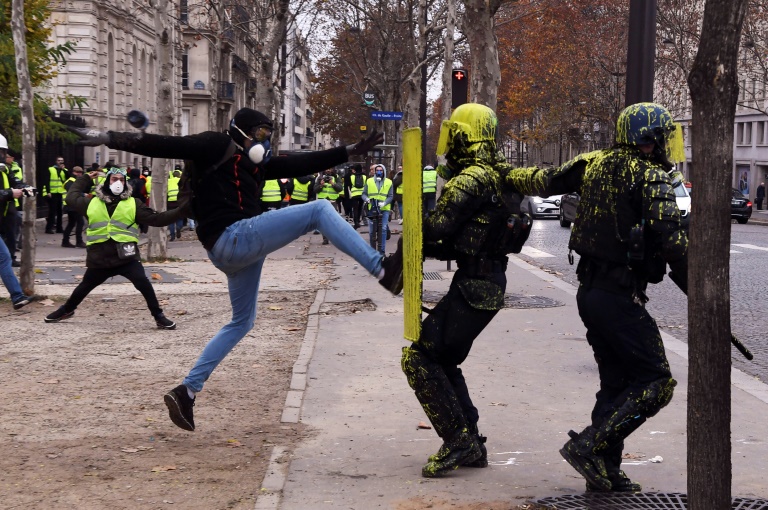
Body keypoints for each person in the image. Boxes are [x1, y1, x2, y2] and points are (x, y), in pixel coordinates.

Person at [70, 107, 401, 432]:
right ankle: (381, 269)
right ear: (241, 131)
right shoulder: (215, 144)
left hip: (228, 250)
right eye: (260, 134)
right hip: (234, 236)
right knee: (319, 210)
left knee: (242, 321)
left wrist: (348, 151)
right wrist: (107, 137)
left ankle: (186, 391)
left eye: (269, 136)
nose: (265, 142)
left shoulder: (256, 165)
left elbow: (301, 161)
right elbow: (165, 143)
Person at [396, 103, 578, 478]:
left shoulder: (471, 178)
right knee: (442, 358)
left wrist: (414, 210)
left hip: (475, 287)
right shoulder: (498, 174)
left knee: (419, 360)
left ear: (464, 135)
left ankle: (460, 441)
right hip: (487, 282)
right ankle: (470, 441)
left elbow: (439, 229)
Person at [558, 102, 688, 493]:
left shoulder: (596, 165)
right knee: (656, 381)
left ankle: (605, 470)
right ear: (650, 138)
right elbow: (674, 247)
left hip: (591, 293)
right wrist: (702, 295)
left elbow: (544, 179)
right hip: (618, 296)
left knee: (615, 383)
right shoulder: (650, 176)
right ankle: (589, 447)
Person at [44, 167, 182, 329]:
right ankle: (66, 310)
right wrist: (86, 178)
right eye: (114, 179)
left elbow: (157, 219)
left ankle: (158, 316)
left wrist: (182, 211)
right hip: (100, 258)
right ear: (107, 181)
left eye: (121, 180)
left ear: (126, 183)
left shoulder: (133, 203)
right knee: (85, 286)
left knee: (143, 283)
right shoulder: (91, 202)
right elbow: (71, 197)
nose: (118, 183)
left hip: (126, 257)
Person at [0, 134, 33, 309]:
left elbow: (15, 181)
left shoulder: (3, 169)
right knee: (4, 258)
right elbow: (6, 191)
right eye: (2, 152)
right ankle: (17, 296)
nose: (4, 155)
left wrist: (25, 187)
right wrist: (9, 194)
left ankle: (17, 296)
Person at [362, 164, 393, 254]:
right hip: (372, 208)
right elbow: (364, 194)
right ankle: (372, 250)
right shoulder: (369, 181)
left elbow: (390, 196)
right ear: (375, 171)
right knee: (372, 231)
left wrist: (384, 203)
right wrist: (367, 199)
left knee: (383, 229)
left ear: (384, 171)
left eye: (381, 170)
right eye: (377, 170)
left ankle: (381, 251)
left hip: (384, 209)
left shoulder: (389, 182)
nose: (379, 172)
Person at [314, 168, 343, 245]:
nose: (328, 170)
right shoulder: (320, 178)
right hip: (322, 201)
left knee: (333, 221)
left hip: (332, 201)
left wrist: (333, 184)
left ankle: (334, 237)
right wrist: (321, 185)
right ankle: (325, 238)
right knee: (323, 221)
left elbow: (340, 188)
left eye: (330, 169)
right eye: (327, 169)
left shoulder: (336, 177)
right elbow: (315, 190)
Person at [61, 166, 86, 248]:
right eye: (78, 172)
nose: (79, 174)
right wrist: (83, 195)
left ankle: (65, 241)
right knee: (80, 222)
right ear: (74, 172)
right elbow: (73, 193)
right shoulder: (71, 182)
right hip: (72, 205)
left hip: (71, 205)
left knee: (71, 223)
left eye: (81, 173)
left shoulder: (74, 181)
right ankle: (79, 241)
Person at [43, 156, 68, 234]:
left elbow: (69, 178)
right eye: (59, 160)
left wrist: (63, 169)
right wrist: (48, 191)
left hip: (59, 193)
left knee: (60, 212)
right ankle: (49, 228)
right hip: (52, 193)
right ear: (56, 161)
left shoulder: (64, 170)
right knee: (52, 211)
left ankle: (59, 228)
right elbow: (46, 181)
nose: (60, 162)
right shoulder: (51, 169)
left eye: (62, 160)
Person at [167, 167, 184, 241]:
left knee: (170, 220)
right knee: (180, 217)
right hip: (179, 201)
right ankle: (179, 227)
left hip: (170, 202)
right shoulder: (181, 180)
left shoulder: (168, 181)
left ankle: (172, 236)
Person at [347, 164, 366, 229]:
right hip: (362, 193)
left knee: (355, 208)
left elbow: (349, 185)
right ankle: (358, 220)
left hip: (354, 194)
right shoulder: (364, 176)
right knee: (360, 207)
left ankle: (356, 222)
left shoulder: (352, 176)